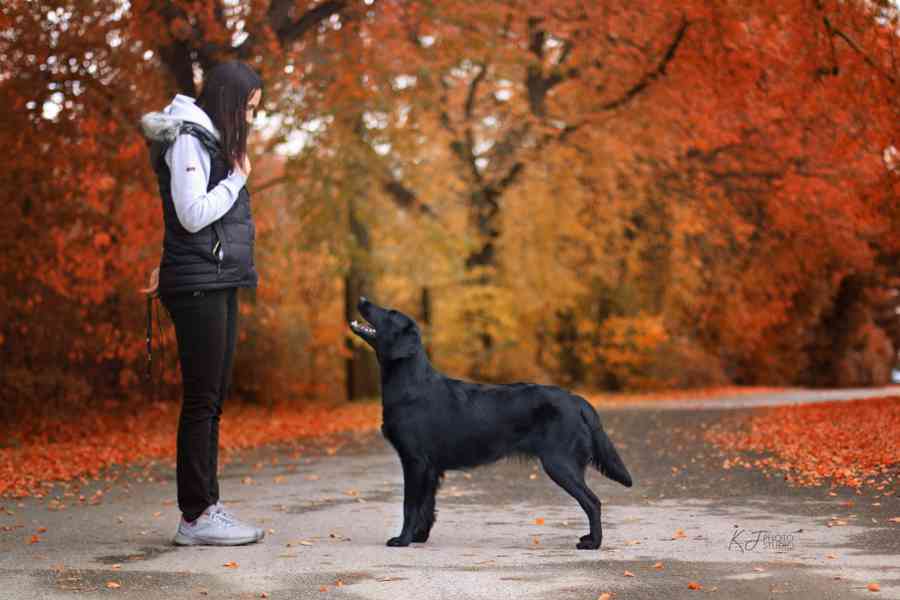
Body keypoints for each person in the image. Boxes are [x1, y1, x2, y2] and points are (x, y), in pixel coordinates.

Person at [139, 61, 264, 546]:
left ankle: (206, 508)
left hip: (213, 279)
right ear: (230, 103)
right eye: (249, 109)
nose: (251, 119)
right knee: (202, 401)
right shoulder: (189, 139)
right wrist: (235, 180)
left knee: (211, 401)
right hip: (199, 285)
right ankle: (195, 516)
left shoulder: (206, 140)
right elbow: (191, 216)